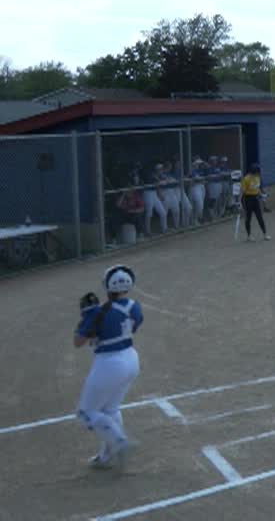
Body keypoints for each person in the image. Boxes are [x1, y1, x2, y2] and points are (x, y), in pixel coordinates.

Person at [75, 265, 143, 469]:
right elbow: (131, 326)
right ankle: (106, 455)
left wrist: (86, 316)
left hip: (109, 363)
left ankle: (119, 441)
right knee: (110, 408)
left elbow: (78, 342)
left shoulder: (98, 312)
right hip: (131, 359)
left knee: (86, 412)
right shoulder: (134, 306)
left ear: (108, 284)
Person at [240, 163, 270, 241]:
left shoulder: (258, 178)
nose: (259, 173)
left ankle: (265, 234)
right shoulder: (246, 179)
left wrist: (262, 194)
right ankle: (249, 236)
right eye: (257, 171)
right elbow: (243, 191)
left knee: (260, 217)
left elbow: (257, 189)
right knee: (248, 218)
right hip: (248, 199)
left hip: (256, 199)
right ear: (254, 171)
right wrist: (240, 202)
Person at [142, 163, 168, 235]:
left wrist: (164, 180)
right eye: (160, 169)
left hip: (153, 194)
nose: (161, 170)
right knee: (149, 213)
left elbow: (163, 181)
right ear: (156, 169)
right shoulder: (151, 175)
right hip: (148, 193)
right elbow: (157, 184)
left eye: (162, 169)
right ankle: (148, 231)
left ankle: (164, 229)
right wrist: (160, 194)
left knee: (163, 212)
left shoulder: (159, 175)